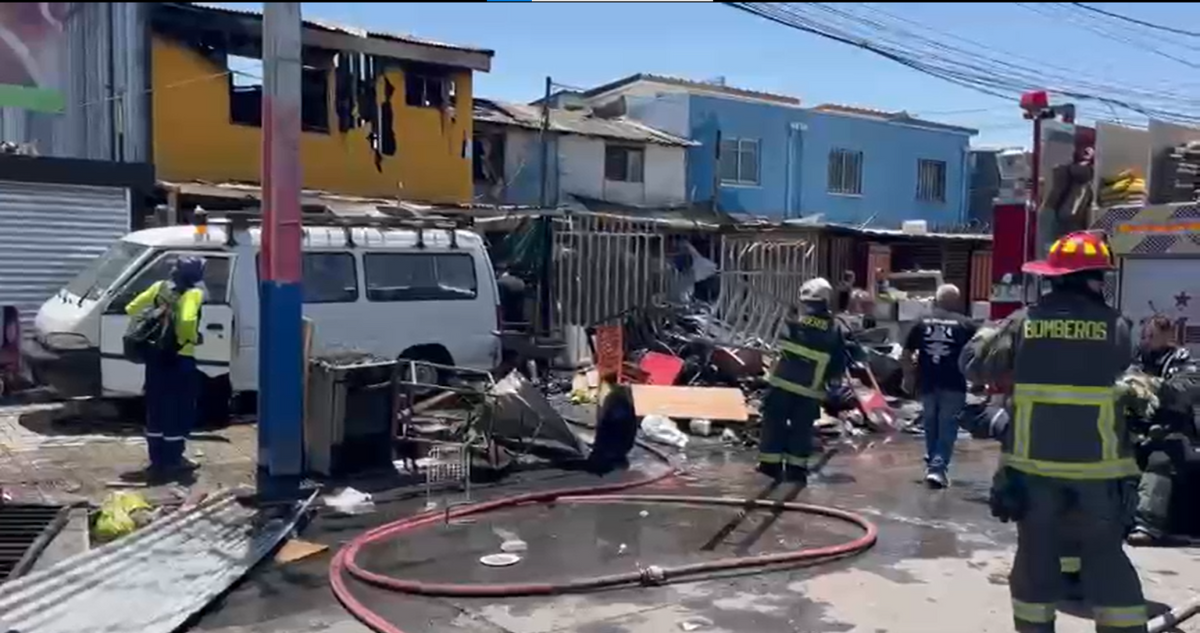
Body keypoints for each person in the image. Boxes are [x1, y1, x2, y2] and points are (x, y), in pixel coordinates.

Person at [960, 231, 1147, 633]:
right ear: (1096, 280)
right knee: (1106, 562)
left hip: (1033, 475)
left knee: (1035, 562)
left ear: (1053, 278)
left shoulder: (1023, 324)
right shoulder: (1118, 327)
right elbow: (1133, 384)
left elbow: (974, 365)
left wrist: (988, 329)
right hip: (1101, 476)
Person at [759, 277, 861, 486]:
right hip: (810, 389)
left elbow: (772, 338)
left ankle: (770, 466)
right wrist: (832, 385)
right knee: (801, 430)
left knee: (773, 424)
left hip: (781, 383)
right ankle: (796, 471)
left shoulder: (791, 319)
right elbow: (838, 363)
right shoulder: (833, 329)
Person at [124, 257, 206, 482]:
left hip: (155, 358)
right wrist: (190, 338)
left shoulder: (158, 287)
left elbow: (132, 309)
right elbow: (189, 320)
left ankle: (156, 459)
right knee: (179, 410)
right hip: (180, 359)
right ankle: (174, 460)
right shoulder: (193, 294)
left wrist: (157, 320)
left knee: (156, 408)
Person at [1126, 314, 1200, 546]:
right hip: (1134, 428)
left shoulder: (1183, 360)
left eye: (1152, 336)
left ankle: (1147, 526)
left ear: (1167, 336)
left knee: (1160, 459)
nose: (1146, 340)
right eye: (1144, 335)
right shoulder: (1135, 359)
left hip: (1171, 431)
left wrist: (1154, 386)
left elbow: (1188, 388)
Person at [903, 284, 977, 489]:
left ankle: (933, 462)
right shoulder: (966, 324)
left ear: (937, 299)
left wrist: (908, 378)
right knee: (948, 425)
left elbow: (907, 352)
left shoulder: (921, 321)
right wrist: (981, 379)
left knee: (931, 424)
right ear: (956, 301)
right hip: (954, 383)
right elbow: (978, 354)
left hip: (927, 381)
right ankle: (937, 468)